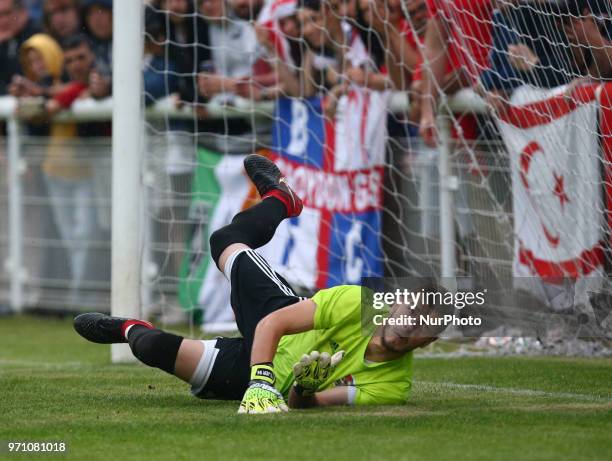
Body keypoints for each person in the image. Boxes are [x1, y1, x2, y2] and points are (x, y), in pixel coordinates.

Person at [74, 155, 448, 413]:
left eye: (422, 328)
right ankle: (282, 200)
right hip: (276, 320)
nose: (408, 325)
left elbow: (311, 406)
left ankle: (128, 327)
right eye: (411, 312)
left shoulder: (393, 388)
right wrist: (263, 383)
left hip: (252, 378)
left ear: (429, 342)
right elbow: (273, 324)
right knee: (222, 239)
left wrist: (303, 388)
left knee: (150, 347)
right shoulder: (358, 301)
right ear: (397, 302)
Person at [0, 0, 39, 95]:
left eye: (8, 13)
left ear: (23, 12)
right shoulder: (5, 40)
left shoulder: (37, 37)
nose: (4, 20)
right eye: (0, 16)